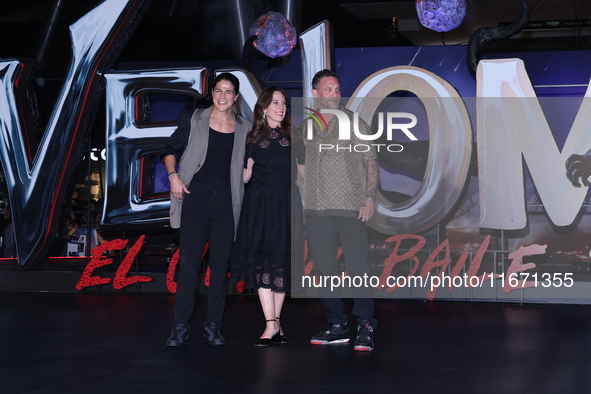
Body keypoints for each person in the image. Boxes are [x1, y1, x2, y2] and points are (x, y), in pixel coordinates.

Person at [162, 73, 252, 346]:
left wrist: (248, 171)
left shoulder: (244, 127)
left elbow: (249, 157)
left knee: (219, 267)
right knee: (189, 267)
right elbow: (169, 149)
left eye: (229, 92)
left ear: (236, 97)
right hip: (195, 199)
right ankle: (180, 326)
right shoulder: (193, 118)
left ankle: (213, 325)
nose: (223, 96)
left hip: (226, 204)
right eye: (219, 90)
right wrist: (173, 175)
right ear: (212, 93)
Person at [302, 69, 379, 351]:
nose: (334, 94)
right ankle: (337, 324)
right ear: (316, 93)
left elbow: (371, 162)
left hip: (350, 206)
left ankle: (365, 325)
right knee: (325, 270)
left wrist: (369, 199)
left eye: (337, 89)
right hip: (316, 209)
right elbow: (302, 167)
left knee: (358, 267)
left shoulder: (355, 122)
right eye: (328, 89)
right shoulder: (307, 125)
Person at [231, 87, 305, 346]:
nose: (281, 107)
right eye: (275, 103)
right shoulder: (252, 137)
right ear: (263, 108)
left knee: (281, 261)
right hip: (260, 202)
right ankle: (271, 323)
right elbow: (246, 175)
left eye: (283, 103)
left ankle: (275, 323)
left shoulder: (295, 136)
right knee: (263, 260)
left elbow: (303, 174)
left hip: (287, 200)